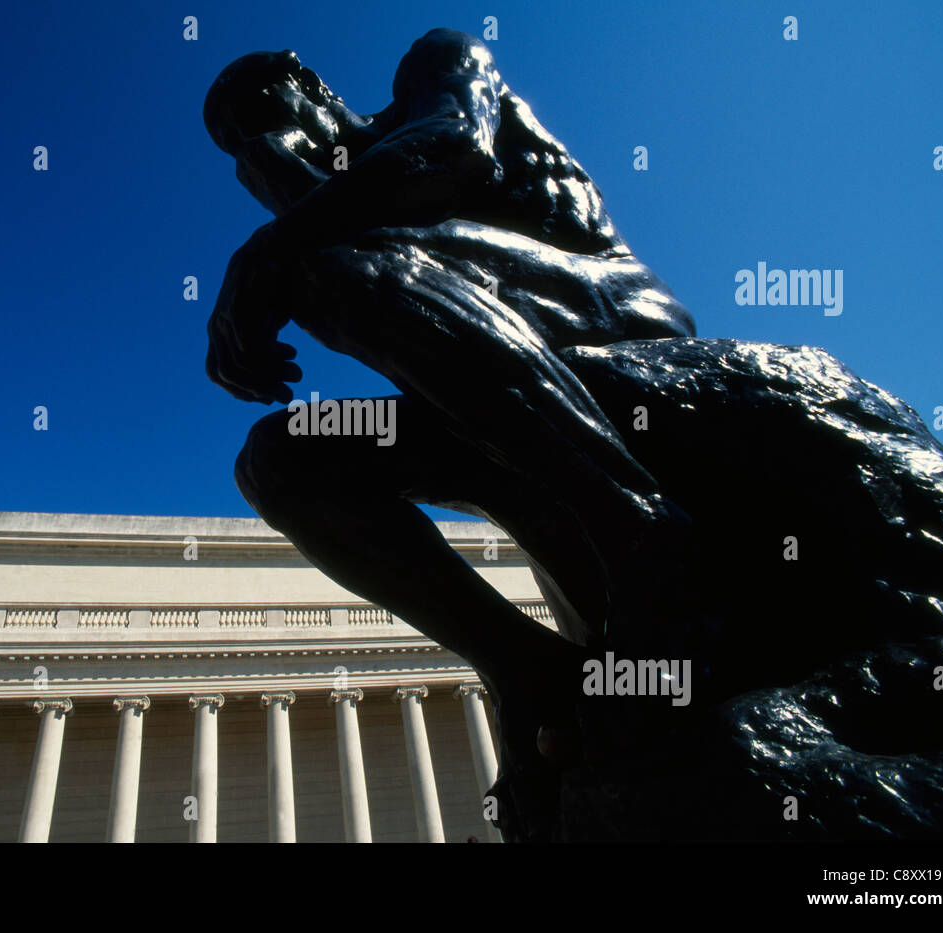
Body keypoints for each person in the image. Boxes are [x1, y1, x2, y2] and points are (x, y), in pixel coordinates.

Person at [202, 28, 696, 778]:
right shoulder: (325, 196)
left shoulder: (436, 66)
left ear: (308, 81)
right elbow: (365, 232)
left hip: (604, 313)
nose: (258, 134)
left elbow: (451, 150)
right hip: (491, 395)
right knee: (277, 461)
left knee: (316, 260)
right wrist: (272, 169)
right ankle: (529, 669)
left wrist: (267, 248)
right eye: (236, 137)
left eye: (260, 111)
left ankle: (644, 532)